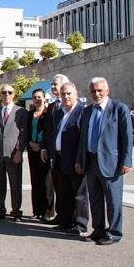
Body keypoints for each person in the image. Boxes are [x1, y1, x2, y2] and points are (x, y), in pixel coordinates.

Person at [76, 77, 132, 245]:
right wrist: (80, 159)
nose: (96, 93)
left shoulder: (119, 109)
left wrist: (126, 160)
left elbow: (127, 137)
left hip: (111, 162)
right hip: (91, 161)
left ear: (107, 90)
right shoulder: (87, 111)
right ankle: (98, 230)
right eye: (93, 91)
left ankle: (114, 232)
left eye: (100, 90)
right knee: (95, 198)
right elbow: (83, 138)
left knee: (113, 200)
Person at [46, 83, 89, 236]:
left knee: (79, 194)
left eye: (69, 94)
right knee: (63, 192)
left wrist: (80, 160)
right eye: (63, 94)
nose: (66, 97)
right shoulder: (58, 113)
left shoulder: (82, 112)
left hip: (74, 160)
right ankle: (65, 221)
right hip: (59, 158)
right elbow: (53, 136)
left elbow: (84, 140)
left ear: (76, 94)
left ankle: (80, 224)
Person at [0, 84, 28, 222]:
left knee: (15, 184)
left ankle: (16, 212)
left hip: (13, 154)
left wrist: (19, 151)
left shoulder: (21, 112)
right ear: (0, 95)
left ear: (14, 94)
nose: (7, 95)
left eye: (9, 92)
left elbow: (23, 134)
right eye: (4, 92)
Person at [40, 74, 69, 224]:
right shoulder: (52, 106)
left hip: (68, 154)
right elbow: (47, 130)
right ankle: (60, 215)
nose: (52, 87)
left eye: (55, 84)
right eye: (52, 84)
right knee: (57, 185)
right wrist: (44, 148)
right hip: (53, 153)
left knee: (68, 188)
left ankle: (71, 218)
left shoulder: (69, 105)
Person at [27, 88, 52, 221]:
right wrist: (30, 143)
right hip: (32, 150)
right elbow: (25, 132)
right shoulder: (30, 114)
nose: (37, 99)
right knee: (35, 181)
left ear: (44, 98)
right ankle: (37, 210)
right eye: (35, 97)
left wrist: (43, 147)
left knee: (47, 182)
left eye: (39, 97)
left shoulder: (49, 113)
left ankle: (48, 212)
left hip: (45, 151)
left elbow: (50, 133)